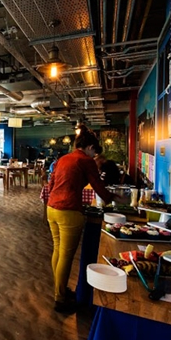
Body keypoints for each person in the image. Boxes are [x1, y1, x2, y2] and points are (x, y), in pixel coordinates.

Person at [47, 126, 127, 314]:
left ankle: (60, 289)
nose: (94, 155)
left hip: (52, 208)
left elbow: (51, 182)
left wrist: (54, 197)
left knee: (58, 251)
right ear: (90, 147)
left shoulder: (63, 159)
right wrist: (113, 197)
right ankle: (60, 299)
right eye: (94, 151)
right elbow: (98, 186)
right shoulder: (85, 160)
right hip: (69, 211)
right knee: (66, 255)